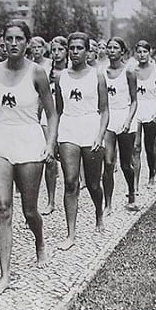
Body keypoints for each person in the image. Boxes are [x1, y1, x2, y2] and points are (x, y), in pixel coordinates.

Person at [0, 20, 56, 295]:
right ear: (2, 42)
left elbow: (52, 112)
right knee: (3, 208)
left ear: (27, 42)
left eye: (18, 39)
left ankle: (40, 242)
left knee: (29, 210)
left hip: (29, 140)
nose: (13, 44)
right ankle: (5, 274)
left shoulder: (37, 73)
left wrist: (50, 143)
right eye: (8, 39)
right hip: (0, 139)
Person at [54, 31, 109, 251]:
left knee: (94, 183)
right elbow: (58, 111)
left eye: (79, 48)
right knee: (70, 182)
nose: (75, 52)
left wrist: (99, 135)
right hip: (68, 128)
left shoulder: (97, 75)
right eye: (72, 48)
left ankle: (98, 213)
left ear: (88, 51)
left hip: (91, 126)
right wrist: (55, 136)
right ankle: (71, 234)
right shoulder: (60, 76)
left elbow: (104, 110)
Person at [102, 37, 138, 215]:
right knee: (108, 163)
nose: (112, 50)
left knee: (125, 164)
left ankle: (131, 194)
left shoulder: (129, 72)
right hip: (108, 119)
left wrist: (128, 121)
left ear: (122, 51)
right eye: (109, 47)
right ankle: (108, 204)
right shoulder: (101, 72)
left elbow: (134, 101)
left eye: (116, 48)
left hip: (125, 118)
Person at [30, 36, 58, 216]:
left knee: (50, 158)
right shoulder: (28, 66)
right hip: (34, 111)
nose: (36, 50)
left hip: (52, 108)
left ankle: (51, 199)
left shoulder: (50, 65)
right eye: (33, 47)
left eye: (39, 46)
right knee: (35, 158)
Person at [133, 40, 156, 189]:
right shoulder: (132, 70)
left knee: (149, 147)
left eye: (145, 51)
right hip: (136, 110)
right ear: (135, 53)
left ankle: (152, 173)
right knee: (136, 146)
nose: (142, 55)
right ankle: (135, 183)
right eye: (139, 52)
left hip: (151, 110)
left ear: (150, 52)